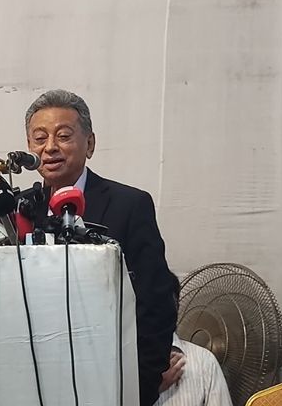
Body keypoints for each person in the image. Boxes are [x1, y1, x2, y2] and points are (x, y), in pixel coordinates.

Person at [24, 89, 178, 406]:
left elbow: (156, 302)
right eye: (39, 138)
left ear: (90, 144)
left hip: (109, 377)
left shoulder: (129, 205)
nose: (50, 147)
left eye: (63, 136)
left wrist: (140, 384)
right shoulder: (21, 209)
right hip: (35, 380)